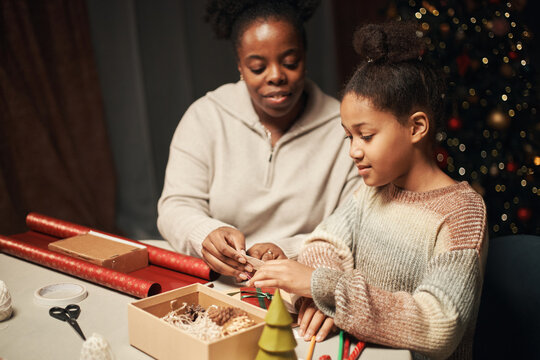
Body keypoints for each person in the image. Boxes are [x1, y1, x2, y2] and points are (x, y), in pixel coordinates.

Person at [248, 22, 488, 360]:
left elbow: (440, 325)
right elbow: (323, 243)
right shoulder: (374, 191)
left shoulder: (461, 212)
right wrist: (322, 296)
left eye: (366, 135)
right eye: (349, 136)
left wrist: (324, 287)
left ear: (416, 127)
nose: (353, 151)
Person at [157, 0, 360, 281]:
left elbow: (355, 226)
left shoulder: (345, 129)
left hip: (301, 282)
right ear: (240, 66)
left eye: (290, 62)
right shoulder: (206, 116)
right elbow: (175, 205)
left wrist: (287, 250)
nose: (276, 76)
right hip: (215, 281)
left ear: (305, 57)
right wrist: (205, 233)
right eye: (257, 67)